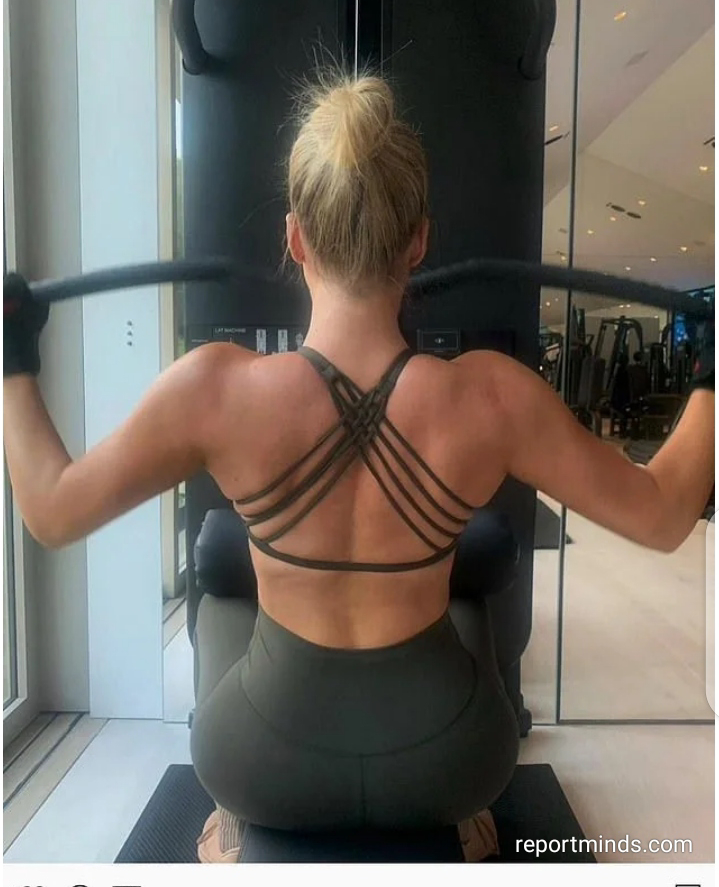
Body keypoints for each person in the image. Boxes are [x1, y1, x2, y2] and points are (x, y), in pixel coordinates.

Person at [4, 73, 714, 863]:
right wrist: (708, 376)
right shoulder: (493, 397)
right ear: (418, 241)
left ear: (295, 238)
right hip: (451, 764)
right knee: (469, 600)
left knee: (224, 604)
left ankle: (235, 820)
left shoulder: (213, 388)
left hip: (262, 765)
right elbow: (663, 516)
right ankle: (459, 820)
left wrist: (13, 360)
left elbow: (52, 510)